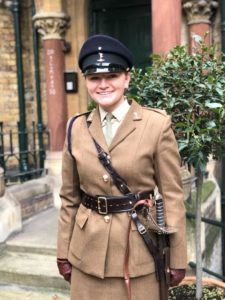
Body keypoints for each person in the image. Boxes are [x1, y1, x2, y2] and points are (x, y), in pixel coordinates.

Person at [56, 34, 187, 300]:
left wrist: (178, 256)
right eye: (94, 78)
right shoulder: (75, 128)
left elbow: (172, 195)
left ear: (127, 78)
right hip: (86, 254)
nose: (103, 85)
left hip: (139, 252)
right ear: (86, 83)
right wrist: (63, 251)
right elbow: (69, 198)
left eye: (112, 76)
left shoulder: (155, 125)